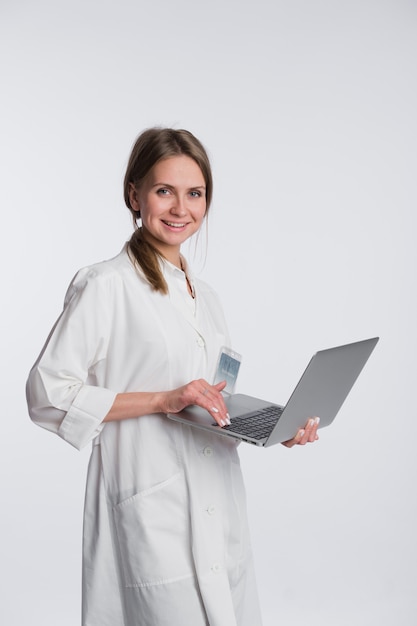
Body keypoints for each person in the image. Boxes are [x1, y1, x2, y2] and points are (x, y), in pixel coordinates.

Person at [26, 127, 319, 626]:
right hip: (150, 505)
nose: (181, 208)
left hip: (218, 501)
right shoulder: (105, 285)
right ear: (134, 194)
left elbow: (212, 396)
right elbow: (47, 393)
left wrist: (274, 430)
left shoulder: (207, 297)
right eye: (165, 191)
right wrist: (163, 399)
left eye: (195, 193)